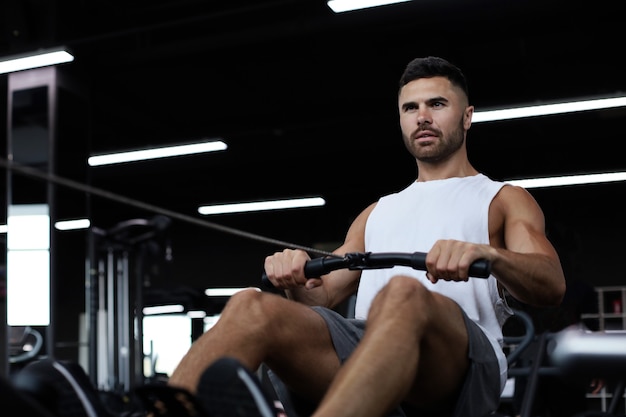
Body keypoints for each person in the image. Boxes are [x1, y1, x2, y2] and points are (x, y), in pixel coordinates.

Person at [167, 56, 566, 417]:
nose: (422, 117)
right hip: (370, 352)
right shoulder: (378, 211)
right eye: (411, 108)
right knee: (249, 305)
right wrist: (293, 275)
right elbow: (320, 297)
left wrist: (487, 254)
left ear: (467, 117)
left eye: (437, 104)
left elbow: (550, 284)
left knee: (403, 294)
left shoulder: (501, 198)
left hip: (461, 368)